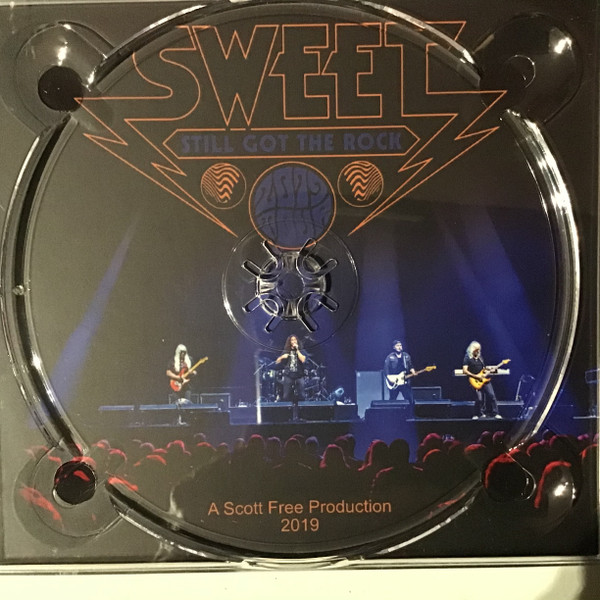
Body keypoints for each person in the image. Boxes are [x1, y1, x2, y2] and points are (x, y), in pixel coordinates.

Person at [462, 340, 502, 419]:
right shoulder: (467, 358)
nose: (478, 351)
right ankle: (477, 414)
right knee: (479, 399)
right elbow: (465, 371)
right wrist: (476, 376)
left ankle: (495, 413)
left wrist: (489, 369)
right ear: (472, 349)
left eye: (479, 349)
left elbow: (483, 368)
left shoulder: (480, 358)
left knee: (491, 395)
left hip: (484, 379)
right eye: (477, 349)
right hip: (475, 380)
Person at [276, 335, 306, 421]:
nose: (294, 341)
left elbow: (303, 360)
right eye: (292, 340)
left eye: (295, 340)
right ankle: (286, 416)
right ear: (289, 342)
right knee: (286, 396)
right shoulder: (286, 351)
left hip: (299, 375)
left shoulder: (301, 350)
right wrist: (282, 357)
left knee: (302, 395)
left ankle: (302, 416)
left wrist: (297, 350)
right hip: (288, 375)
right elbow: (277, 361)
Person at [166, 344, 197, 425]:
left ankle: (187, 421)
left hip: (187, 386)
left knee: (187, 403)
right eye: (181, 352)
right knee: (177, 403)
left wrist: (193, 373)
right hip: (176, 385)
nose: (183, 354)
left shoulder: (189, 360)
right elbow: (168, 372)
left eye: (184, 352)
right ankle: (177, 421)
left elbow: (194, 371)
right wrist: (177, 377)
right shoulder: (173, 360)